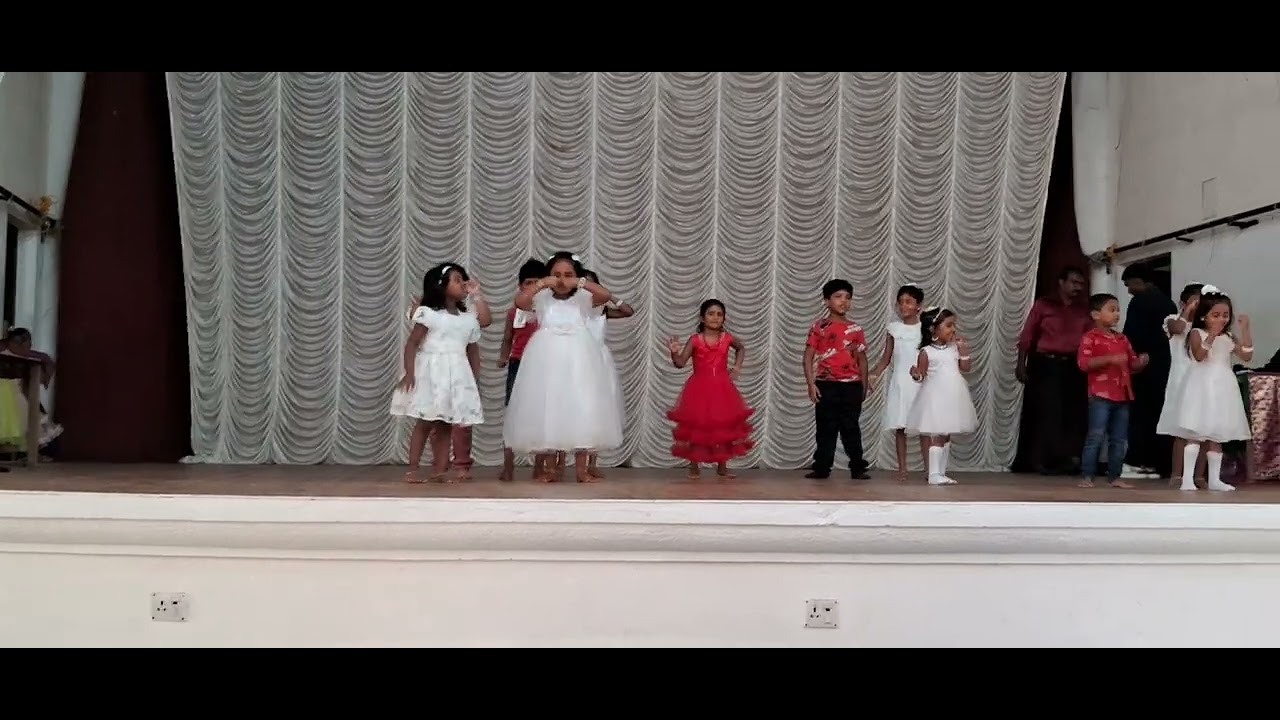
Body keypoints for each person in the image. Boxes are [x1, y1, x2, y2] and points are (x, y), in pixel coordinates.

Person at [503, 251, 623, 483]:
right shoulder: (543, 298)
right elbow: (520, 302)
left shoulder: (583, 299)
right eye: (556, 274)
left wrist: (580, 282)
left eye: (568, 274)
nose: (561, 280)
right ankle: (550, 469)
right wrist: (541, 283)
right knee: (549, 407)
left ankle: (581, 469)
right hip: (547, 357)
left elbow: (605, 295)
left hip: (579, 356)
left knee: (582, 406)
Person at [390, 262, 487, 483]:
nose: (462, 283)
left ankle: (440, 470)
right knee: (424, 421)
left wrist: (476, 295)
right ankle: (412, 469)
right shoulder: (430, 315)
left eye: (464, 279)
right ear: (441, 286)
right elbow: (412, 344)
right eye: (456, 280)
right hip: (432, 372)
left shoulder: (467, 318)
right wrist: (410, 372)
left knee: (445, 424)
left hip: (456, 374)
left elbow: (478, 337)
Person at [1169, 286, 1254, 492]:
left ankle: (1215, 479)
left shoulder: (1229, 337)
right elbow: (1199, 356)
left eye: (1225, 315)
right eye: (1215, 315)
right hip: (1202, 384)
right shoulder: (1197, 333)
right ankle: (1187, 479)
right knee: (1196, 430)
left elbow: (1247, 356)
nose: (1221, 319)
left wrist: (1244, 330)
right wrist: (1212, 336)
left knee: (1217, 433)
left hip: (1223, 385)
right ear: (1203, 316)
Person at [666, 298, 754, 480]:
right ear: (702, 318)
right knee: (697, 426)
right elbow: (681, 363)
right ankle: (694, 465)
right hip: (699, 387)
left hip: (722, 387)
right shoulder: (696, 340)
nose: (715, 318)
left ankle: (722, 465)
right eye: (711, 314)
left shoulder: (727, 338)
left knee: (722, 426)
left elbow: (741, 348)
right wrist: (674, 352)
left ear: (724, 318)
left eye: (719, 314)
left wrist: (737, 367)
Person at [1016, 266, 1092, 475]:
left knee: (1072, 414)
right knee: (1045, 411)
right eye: (1074, 282)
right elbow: (1027, 336)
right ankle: (1037, 460)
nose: (1078, 287)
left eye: (1081, 284)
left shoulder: (1083, 309)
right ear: (1061, 282)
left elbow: (1089, 338)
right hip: (1045, 363)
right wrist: (1021, 364)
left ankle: (1066, 460)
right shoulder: (1044, 305)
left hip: (1073, 365)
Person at [1076, 293, 1150, 489]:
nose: (1117, 313)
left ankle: (1114, 476)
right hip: (1100, 394)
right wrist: (1109, 360)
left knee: (1119, 439)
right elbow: (1084, 364)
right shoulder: (1090, 338)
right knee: (1096, 435)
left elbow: (1132, 363)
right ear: (1095, 314)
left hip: (1123, 394)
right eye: (1111, 310)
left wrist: (1140, 362)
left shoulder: (1122, 339)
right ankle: (1087, 475)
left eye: (1118, 310)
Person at [803, 279, 870, 480]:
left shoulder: (856, 329)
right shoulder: (819, 327)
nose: (844, 301)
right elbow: (808, 357)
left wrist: (864, 385)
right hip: (826, 385)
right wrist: (810, 383)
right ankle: (822, 467)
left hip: (851, 386)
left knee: (851, 427)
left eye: (848, 297)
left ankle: (857, 466)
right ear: (826, 301)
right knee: (826, 427)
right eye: (838, 297)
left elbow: (862, 359)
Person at [904, 306, 978, 485]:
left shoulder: (953, 349)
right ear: (933, 329)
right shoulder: (926, 352)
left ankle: (942, 472)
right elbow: (921, 375)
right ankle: (933, 473)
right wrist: (915, 374)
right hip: (935, 397)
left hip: (953, 396)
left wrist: (964, 353)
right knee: (937, 434)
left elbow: (965, 368)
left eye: (954, 325)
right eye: (949, 325)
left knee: (946, 434)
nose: (953, 329)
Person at [1121, 263, 1178, 478]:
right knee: (1161, 413)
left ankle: (1138, 461)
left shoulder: (1139, 302)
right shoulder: (1168, 303)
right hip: (1165, 365)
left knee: (1141, 415)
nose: (1129, 290)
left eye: (1130, 285)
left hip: (1144, 366)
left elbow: (1131, 335)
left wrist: (1132, 359)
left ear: (1140, 281)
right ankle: (1160, 463)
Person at [868, 284, 928, 480]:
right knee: (900, 426)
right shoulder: (893, 329)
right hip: (901, 381)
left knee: (924, 426)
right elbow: (886, 358)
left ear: (918, 306)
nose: (904, 306)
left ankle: (929, 469)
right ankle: (903, 469)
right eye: (901, 302)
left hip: (920, 382)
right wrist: (873, 374)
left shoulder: (925, 329)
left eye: (909, 302)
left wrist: (922, 373)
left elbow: (930, 356)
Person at [579, 268, 633, 479]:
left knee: (596, 410)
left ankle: (592, 462)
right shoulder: (574, 310)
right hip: (578, 359)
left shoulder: (602, 310)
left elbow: (629, 311)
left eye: (592, 286)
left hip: (599, 363)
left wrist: (611, 297)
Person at [497, 259, 545, 482]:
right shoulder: (513, 312)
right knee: (513, 412)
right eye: (528, 282)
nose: (532, 286)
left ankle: (540, 466)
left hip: (542, 366)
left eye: (538, 282)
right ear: (520, 286)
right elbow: (508, 338)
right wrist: (503, 357)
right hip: (518, 363)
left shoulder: (548, 311)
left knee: (542, 414)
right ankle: (508, 465)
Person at [1155, 283, 1206, 486]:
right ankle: (1177, 474)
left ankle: (1199, 476)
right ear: (1183, 303)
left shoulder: (1205, 327)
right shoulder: (1172, 320)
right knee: (1181, 431)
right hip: (1180, 380)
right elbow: (1178, 328)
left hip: (1202, 379)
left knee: (1203, 429)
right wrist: (1187, 312)